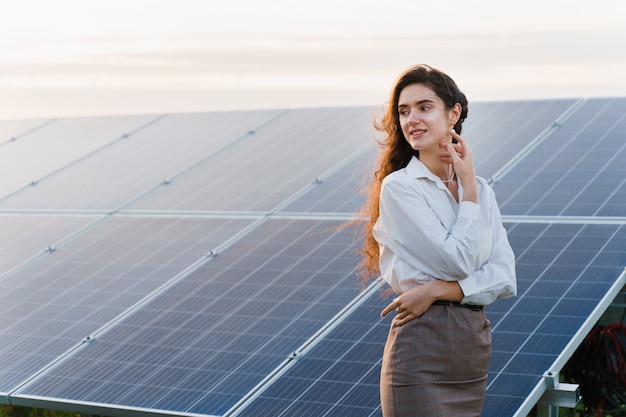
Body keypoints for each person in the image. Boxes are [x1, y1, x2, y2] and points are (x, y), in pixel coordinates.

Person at [355, 64, 517, 417]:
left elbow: (505, 277)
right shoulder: (400, 188)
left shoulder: (483, 190)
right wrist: (469, 190)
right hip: (421, 346)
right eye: (403, 111)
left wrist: (436, 290)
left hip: (471, 347)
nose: (412, 118)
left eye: (424, 107)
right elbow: (456, 261)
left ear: (453, 113)